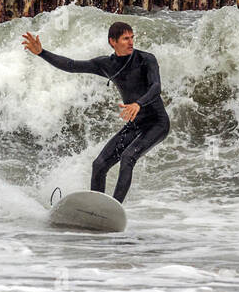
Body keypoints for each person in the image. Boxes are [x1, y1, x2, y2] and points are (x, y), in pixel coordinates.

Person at [23, 21, 168, 203]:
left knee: (128, 157)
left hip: (157, 123)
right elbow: (71, 65)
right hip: (136, 123)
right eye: (125, 38)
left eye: (132, 37)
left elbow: (156, 87)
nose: (131, 42)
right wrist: (42, 53)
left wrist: (138, 104)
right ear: (112, 42)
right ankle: (96, 208)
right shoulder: (106, 64)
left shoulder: (146, 59)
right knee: (99, 164)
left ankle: (114, 207)